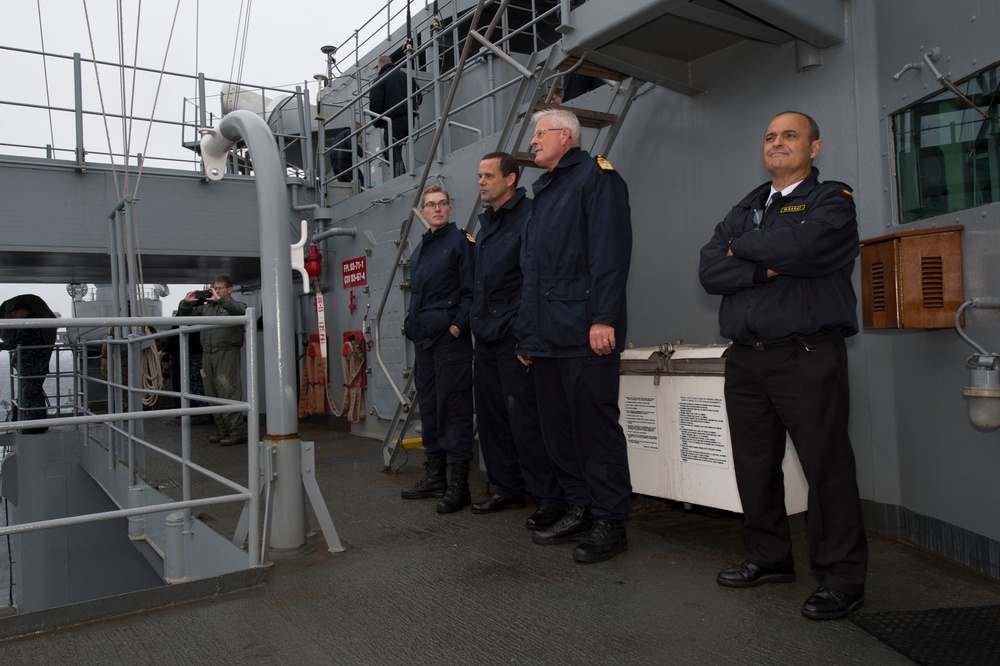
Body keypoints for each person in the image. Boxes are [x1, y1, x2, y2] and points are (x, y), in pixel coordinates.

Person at [698, 111, 868, 620]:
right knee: (754, 467)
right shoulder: (747, 204)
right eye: (770, 136)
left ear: (814, 148)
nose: (777, 143)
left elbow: (808, 246)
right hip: (747, 360)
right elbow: (709, 268)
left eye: (789, 135)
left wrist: (743, 254)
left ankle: (841, 578)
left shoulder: (831, 200)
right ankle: (769, 557)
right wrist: (766, 263)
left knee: (827, 468)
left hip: (807, 356)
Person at [515, 109, 633, 563]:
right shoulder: (544, 191)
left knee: (594, 431)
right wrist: (527, 336)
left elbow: (610, 252)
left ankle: (610, 520)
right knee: (558, 432)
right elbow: (532, 274)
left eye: (539, 134)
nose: (532, 143)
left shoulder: (595, 178)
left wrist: (604, 317)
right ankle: (579, 505)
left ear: (565, 135)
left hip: (586, 334)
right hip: (545, 339)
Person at [470, 152, 566, 528]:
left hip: (514, 335)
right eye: (479, 175)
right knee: (493, 417)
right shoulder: (486, 223)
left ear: (510, 179)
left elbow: (532, 282)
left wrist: (524, 335)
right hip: (486, 337)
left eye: (488, 175)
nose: (481, 181)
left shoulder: (529, 216)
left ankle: (548, 497)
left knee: (525, 419)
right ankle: (506, 488)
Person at [401, 184, 476, 514]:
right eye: (430, 205)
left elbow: (472, 293)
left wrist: (458, 326)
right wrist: (409, 323)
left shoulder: (460, 243)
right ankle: (434, 477)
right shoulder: (421, 248)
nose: (437, 209)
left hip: (449, 342)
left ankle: (460, 486)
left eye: (442, 203)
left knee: (454, 409)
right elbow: (417, 295)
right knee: (430, 407)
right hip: (425, 343)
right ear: (421, 212)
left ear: (449, 208)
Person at [178, 276, 249, 446]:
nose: (216, 292)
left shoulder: (234, 305)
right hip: (208, 352)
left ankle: (237, 431)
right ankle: (224, 430)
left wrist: (221, 301)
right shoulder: (207, 308)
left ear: (229, 289)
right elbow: (185, 316)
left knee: (228, 390)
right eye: (214, 289)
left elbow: (241, 310)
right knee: (211, 391)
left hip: (226, 351)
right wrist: (186, 302)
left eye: (220, 288)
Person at [0, 301, 53, 434]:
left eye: (15, 312)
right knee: (34, 394)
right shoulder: (32, 323)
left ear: (24, 312)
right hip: (35, 365)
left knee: (31, 395)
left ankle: (37, 425)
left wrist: (1, 346)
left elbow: (17, 342)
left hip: (32, 365)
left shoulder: (26, 324)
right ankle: (39, 423)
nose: (13, 315)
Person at [369, 55, 419, 178]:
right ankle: (402, 175)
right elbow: (419, 96)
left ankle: (402, 178)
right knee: (397, 150)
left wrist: (378, 122)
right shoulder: (406, 77)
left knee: (391, 152)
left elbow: (375, 103)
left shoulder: (380, 80)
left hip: (393, 122)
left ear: (381, 65)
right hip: (408, 120)